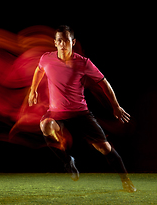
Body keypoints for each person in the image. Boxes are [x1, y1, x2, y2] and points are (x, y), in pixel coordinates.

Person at [28, 25, 136, 193]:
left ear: (73, 42)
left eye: (66, 40)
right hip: (57, 114)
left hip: (80, 114)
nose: (63, 44)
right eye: (59, 41)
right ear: (55, 43)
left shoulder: (83, 63)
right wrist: (32, 90)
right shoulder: (46, 59)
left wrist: (115, 105)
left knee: (104, 148)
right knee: (46, 126)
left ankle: (126, 180)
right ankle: (67, 161)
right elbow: (38, 70)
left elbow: (104, 83)